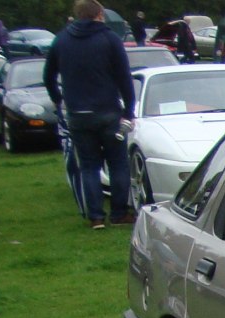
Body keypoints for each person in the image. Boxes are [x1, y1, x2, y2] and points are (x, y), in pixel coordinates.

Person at [44, 0, 136, 228]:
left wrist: (59, 100)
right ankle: (119, 213)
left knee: (88, 166)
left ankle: (95, 216)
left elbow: (48, 76)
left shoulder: (62, 39)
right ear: (99, 15)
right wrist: (129, 110)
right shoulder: (109, 39)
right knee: (117, 164)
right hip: (108, 111)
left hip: (78, 113)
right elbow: (124, 77)